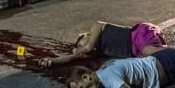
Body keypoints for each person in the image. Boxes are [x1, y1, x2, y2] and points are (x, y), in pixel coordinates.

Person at [39, 21, 167, 67]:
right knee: (153, 63)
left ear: (84, 35)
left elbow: (87, 47)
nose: (81, 48)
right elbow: (74, 56)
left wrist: (79, 50)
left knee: (149, 52)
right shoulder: (97, 51)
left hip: (139, 35)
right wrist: (53, 60)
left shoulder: (97, 27)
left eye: (80, 44)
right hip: (136, 52)